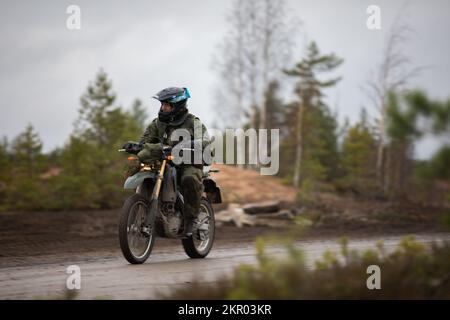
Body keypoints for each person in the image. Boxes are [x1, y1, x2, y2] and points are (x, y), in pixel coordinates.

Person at [124, 87, 211, 236]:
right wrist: (136, 146)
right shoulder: (158, 123)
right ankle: (145, 205)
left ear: (178, 106)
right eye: (162, 104)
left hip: (188, 162)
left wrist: (191, 144)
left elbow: (206, 142)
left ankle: (191, 219)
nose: (163, 108)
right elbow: (145, 141)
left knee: (189, 178)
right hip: (165, 161)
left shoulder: (193, 122)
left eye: (167, 105)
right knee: (142, 167)